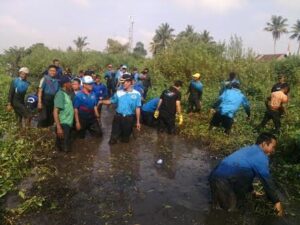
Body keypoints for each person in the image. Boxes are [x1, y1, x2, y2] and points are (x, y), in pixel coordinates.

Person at [209, 132, 284, 216]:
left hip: (214, 176)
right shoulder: (260, 156)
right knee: (230, 213)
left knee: (216, 209)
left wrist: (252, 191)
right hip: (223, 181)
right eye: (273, 147)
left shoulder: (249, 149)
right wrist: (276, 202)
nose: (273, 150)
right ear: (264, 144)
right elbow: (267, 181)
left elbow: (245, 176)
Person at [99, 74, 142, 144]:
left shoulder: (137, 94)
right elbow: (110, 101)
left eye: (125, 82)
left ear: (130, 82)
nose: (123, 84)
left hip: (129, 118)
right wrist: (101, 101)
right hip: (118, 117)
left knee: (125, 139)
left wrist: (137, 122)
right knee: (112, 139)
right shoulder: (118, 93)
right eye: (122, 82)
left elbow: (138, 108)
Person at [53, 76, 74, 152]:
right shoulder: (60, 94)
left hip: (67, 123)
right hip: (63, 124)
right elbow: (55, 111)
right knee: (64, 149)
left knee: (65, 147)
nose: (71, 84)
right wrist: (59, 127)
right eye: (70, 83)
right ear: (65, 84)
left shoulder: (67, 93)